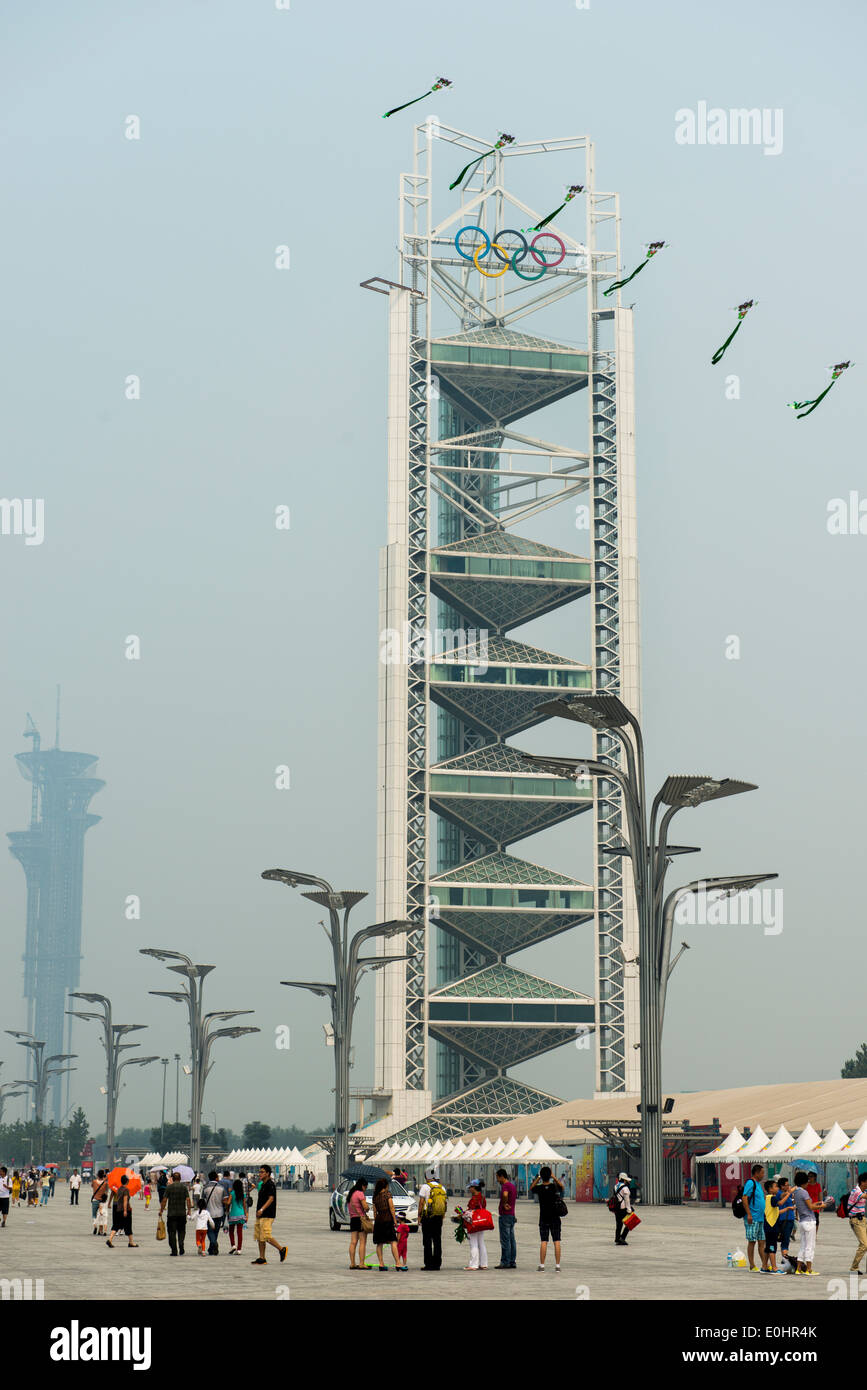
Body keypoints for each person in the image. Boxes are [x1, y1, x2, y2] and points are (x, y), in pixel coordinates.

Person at [251, 1164, 287, 1265]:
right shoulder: (262, 1184)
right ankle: (262, 1258)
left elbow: (271, 1198)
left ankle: (281, 1249)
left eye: (262, 1172)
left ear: (267, 1173)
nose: (260, 1174)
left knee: (266, 1235)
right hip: (260, 1214)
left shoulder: (270, 1184)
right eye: (259, 1172)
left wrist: (262, 1209)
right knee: (259, 1236)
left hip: (267, 1214)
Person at [531, 1166, 564, 1272]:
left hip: (543, 1218)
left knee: (544, 1241)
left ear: (542, 1176)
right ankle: (557, 1266)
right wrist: (554, 1177)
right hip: (555, 1218)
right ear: (550, 1175)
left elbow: (531, 1188)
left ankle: (542, 1265)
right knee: (557, 1241)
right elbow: (562, 1187)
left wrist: (538, 1178)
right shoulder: (554, 1187)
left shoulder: (539, 1188)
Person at [792, 1171, 824, 1275]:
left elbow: (809, 1205)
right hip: (809, 1221)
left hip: (802, 1221)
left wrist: (817, 1204)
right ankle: (809, 1269)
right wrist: (821, 1206)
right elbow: (811, 1207)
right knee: (810, 1245)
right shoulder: (804, 1192)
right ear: (804, 1182)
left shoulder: (796, 1192)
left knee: (803, 1245)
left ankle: (798, 1269)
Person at [417, 1168, 447, 1271]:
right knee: (437, 1240)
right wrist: (442, 1215)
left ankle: (429, 1264)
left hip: (427, 1217)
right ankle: (437, 1264)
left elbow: (421, 1203)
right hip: (438, 1217)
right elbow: (444, 1203)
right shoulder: (442, 1188)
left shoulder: (425, 1187)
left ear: (427, 1177)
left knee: (427, 1241)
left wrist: (419, 1216)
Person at [371, 1177, 403, 1271]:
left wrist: (376, 1221)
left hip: (379, 1220)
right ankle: (398, 1263)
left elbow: (374, 1211)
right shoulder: (387, 1195)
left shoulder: (375, 1196)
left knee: (379, 1243)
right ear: (386, 1186)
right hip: (387, 1219)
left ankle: (381, 1263)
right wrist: (395, 1220)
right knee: (393, 1241)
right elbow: (392, 1208)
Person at [160, 1171, 192, 1256]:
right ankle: (181, 1243)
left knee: (172, 1232)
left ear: (173, 1179)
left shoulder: (169, 1187)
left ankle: (174, 1250)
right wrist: (189, 1210)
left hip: (172, 1214)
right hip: (182, 1214)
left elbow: (164, 1200)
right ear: (180, 1178)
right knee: (181, 1231)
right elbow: (188, 1200)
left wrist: (161, 1210)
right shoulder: (184, 1187)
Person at [741, 1164, 766, 1272]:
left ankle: (764, 1264)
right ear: (756, 1173)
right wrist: (749, 1214)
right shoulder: (750, 1183)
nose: (763, 1175)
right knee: (752, 1241)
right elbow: (744, 1198)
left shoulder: (758, 1184)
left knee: (762, 1241)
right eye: (762, 1172)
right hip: (753, 1218)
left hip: (760, 1218)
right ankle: (752, 1265)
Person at [463, 1179, 489, 1272]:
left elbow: (470, 1212)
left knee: (473, 1243)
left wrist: (462, 1214)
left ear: (474, 1188)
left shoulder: (474, 1199)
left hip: (473, 1224)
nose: (469, 1189)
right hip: (481, 1222)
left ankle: (474, 1264)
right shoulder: (482, 1198)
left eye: (470, 1187)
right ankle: (483, 1263)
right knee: (481, 1243)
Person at [106, 1174, 138, 1249]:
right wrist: (125, 1211)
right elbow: (125, 1201)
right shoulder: (126, 1190)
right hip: (125, 1210)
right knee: (128, 1226)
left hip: (118, 1209)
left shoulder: (119, 1189)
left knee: (116, 1225)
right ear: (127, 1181)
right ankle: (131, 1242)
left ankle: (110, 1239)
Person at [201, 1171, 229, 1256]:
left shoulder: (205, 1188)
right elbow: (225, 1201)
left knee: (210, 1231)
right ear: (216, 1178)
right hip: (219, 1213)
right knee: (216, 1231)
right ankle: (213, 1245)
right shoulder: (221, 1188)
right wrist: (227, 1210)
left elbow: (203, 1201)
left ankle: (213, 1245)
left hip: (209, 1213)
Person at [495, 1168, 517, 1269]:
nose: (497, 1180)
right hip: (512, 1215)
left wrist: (504, 1204)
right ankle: (512, 1261)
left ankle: (505, 1261)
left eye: (497, 1177)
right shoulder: (512, 1186)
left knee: (505, 1240)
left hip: (505, 1216)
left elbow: (505, 1195)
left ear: (502, 1176)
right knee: (512, 1239)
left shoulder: (505, 1186)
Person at [773, 1176, 796, 1271]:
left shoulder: (788, 1194)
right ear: (782, 1186)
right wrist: (793, 1189)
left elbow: (792, 1197)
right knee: (785, 1240)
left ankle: (784, 1258)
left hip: (790, 1219)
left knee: (786, 1240)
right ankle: (785, 1259)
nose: (788, 1186)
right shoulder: (779, 1193)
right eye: (786, 1185)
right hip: (784, 1219)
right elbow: (784, 1196)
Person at [845, 1171, 867, 1274]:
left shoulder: (863, 1190)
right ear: (863, 1182)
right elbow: (864, 1196)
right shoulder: (856, 1192)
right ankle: (854, 1268)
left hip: (862, 1219)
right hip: (856, 1220)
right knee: (864, 1245)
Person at [347, 1179, 369, 1270]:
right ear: (363, 1186)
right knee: (362, 1242)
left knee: (353, 1242)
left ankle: (352, 1263)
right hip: (360, 1219)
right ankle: (361, 1263)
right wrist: (367, 1207)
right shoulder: (360, 1193)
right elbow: (365, 1207)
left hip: (353, 1219)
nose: (365, 1189)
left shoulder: (351, 1194)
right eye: (365, 1187)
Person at [761, 1179, 781, 1273]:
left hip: (768, 1226)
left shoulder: (767, 1198)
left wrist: (788, 1209)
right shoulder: (773, 1198)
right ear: (770, 1189)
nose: (777, 1188)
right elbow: (780, 1203)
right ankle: (774, 1268)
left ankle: (764, 1266)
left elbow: (776, 1211)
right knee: (772, 1247)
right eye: (776, 1186)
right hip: (771, 1226)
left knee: (768, 1247)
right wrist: (789, 1194)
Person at [611, 1171, 633, 1246]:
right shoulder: (625, 1188)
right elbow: (627, 1200)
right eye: (626, 1180)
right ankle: (622, 1238)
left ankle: (617, 1239)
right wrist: (629, 1210)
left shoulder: (615, 1186)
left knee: (619, 1224)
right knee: (631, 1222)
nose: (627, 1181)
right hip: (623, 1208)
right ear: (624, 1180)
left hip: (617, 1208)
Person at [227, 1179, 247, 1255]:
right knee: (239, 1233)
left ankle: (233, 1245)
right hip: (241, 1214)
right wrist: (246, 1215)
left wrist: (224, 1201)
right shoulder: (243, 1194)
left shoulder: (232, 1193)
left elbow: (228, 1203)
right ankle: (239, 1249)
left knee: (231, 1231)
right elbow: (244, 1206)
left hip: (233, 1214)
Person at [91, 1171, 109, 1235]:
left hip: (95, 1200)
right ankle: (100, 1230)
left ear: (98, 1175)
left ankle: (95, 1226)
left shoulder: (94, 1182)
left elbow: (92, 1186)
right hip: (102, 1201)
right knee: (101, 1216)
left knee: (94, 1215)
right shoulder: (105, 1184)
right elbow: (106, 1191)